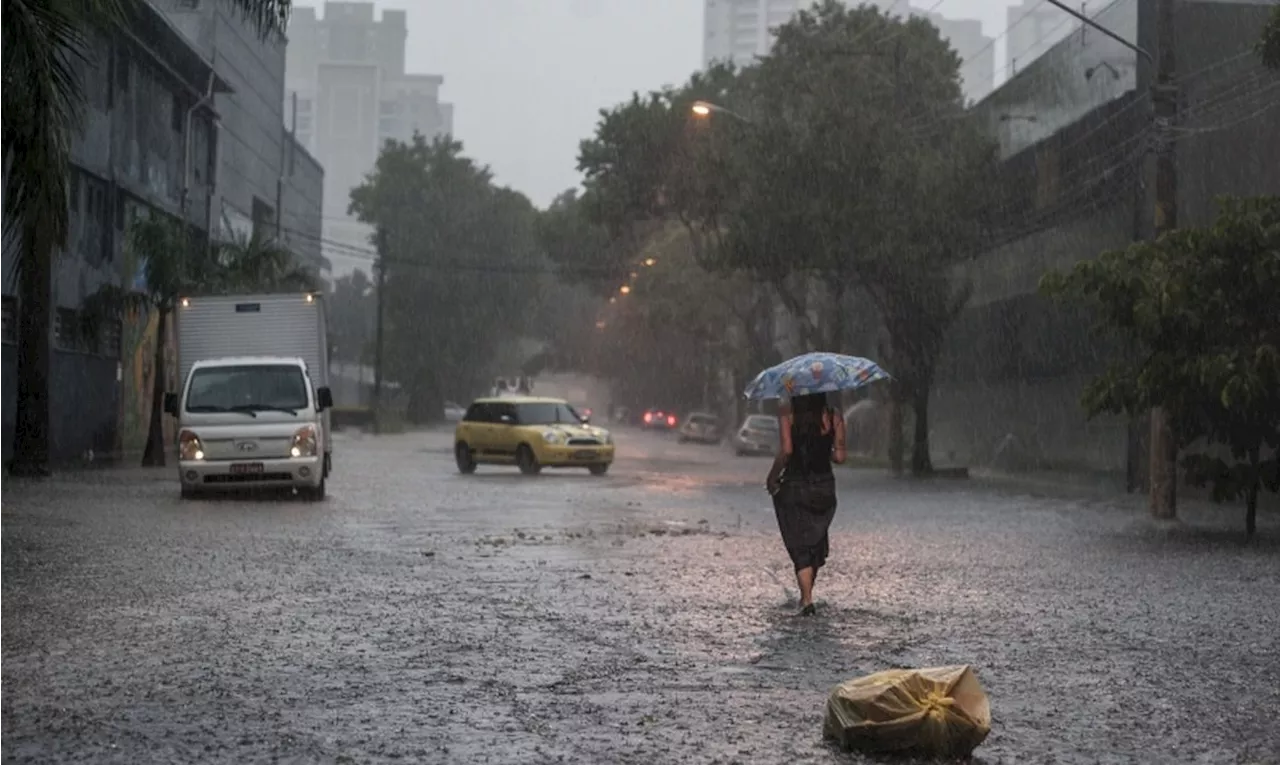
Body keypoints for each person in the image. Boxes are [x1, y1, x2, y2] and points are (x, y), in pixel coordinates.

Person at [765, 392, 847, 616]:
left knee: (799, 543)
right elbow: (840, 457)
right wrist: (822, 450)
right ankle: (808, 594)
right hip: (824, 487)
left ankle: (806, 599)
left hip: (795, 486)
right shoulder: (834, 416)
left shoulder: (788, 415)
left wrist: (772, 477)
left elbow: (787, 451)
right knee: (815, 541)